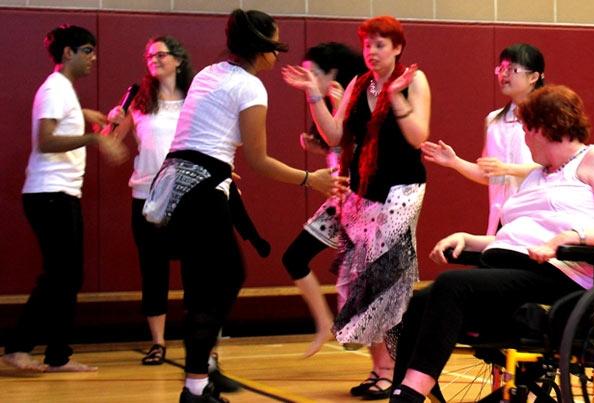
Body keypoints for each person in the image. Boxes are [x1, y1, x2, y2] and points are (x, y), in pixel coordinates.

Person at [389, 84, 594, 403]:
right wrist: (468, 239)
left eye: (526, 130)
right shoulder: (536, 175)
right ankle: (401, 392)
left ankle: (412, 391)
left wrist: (571, 237)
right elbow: (514, 238)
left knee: (451, 286)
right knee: (419, 302)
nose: (524, 139)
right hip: (515, 270)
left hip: (563, 277)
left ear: (546, 127)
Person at [141, 9, 346, 403]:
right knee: (221, 281)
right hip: (201, 193)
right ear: (261, 48)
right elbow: (259, 160)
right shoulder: (250, 87)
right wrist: (311, 179)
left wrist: (218, 168)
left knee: (208, 285)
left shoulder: (208, 73)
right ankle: (196, 386)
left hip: (176, 184)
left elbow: (197, 138)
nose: (276, 56)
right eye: (274, 46)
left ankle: (201, 374)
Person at [283, 15, 431, 400]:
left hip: (402, 190)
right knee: (360, 277)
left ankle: (394, 371)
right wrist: (314, 95)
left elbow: (418, 137)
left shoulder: (414, 80)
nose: (372, 52)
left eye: (380, 45)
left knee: (385, 279)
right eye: (367, 45)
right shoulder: (358, 84)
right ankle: (379, 369)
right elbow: (335, 134)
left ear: (397, 48)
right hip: (364, 190)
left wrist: (395, 95)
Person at [2, 24, 126, 373]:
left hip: (59, 194)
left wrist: (83, 116)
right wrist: (94, 139)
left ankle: (57, 355)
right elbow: (45, 141)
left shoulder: (63, 90)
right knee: (59, 275)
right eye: (87, 51)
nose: (93, 58)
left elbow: (57, 124)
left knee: (67, 276)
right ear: (67, 53)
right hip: (50, 194)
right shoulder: (55, 88)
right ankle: (19, 348)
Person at [107, 35, 194, 367]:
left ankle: (197, 340)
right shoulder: (139, 102)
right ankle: (158, 342)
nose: (154, 59)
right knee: (153, 270)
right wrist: (111, 123)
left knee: (194, 270)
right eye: (149, 56)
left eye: (160, 54)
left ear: (178, 60)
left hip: (186, 196)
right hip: (146, 197)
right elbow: (110, 145)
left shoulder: (194, 102)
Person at [280, 42, 366, 358]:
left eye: (313, 73)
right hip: (340, 199)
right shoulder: (327, 102)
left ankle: (382, 355)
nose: (308, 79)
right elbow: (336, 144)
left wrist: (333, 105)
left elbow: (357, 145)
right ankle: (324, 322)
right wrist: (321, 148)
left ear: (332, 74)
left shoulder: (357, 97)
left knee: (363, 275)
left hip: (362, 201)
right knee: (294, 257)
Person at [421, 43, 544, 236]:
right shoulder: (494, 120)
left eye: (512, 69)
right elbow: (492, 176)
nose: (504, 74)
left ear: (533, 77)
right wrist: (455, 162)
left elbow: (553, 169)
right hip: (500, 219)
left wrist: (507, 169)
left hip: (537, 218)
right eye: (501, 69)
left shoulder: (547, 116)